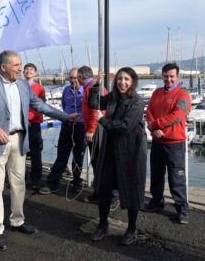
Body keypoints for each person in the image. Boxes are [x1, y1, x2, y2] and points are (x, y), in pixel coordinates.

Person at [0, 50, 77, 251]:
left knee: (19, 183)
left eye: (20, 64)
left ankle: (17, 221)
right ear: (3, 67)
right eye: (17, 65)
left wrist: (64, 116)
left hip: (19, 140)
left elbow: (40, 106)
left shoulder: (23, 85)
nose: (21, 68)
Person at [88, 68, 147, 245]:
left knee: (132, 190)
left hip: (131, 152)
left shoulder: (136, 101)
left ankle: (131, 228)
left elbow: (125, 126)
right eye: (120, 79)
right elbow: (94, 103)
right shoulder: (113, 97)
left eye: (126, 79)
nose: (122, 82)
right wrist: (96, 84)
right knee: (104, 189)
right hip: (111, 151)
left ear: (133, 81)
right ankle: (102, 223)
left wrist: (102, 121)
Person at [144, 63, 191, 224]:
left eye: (172, 76)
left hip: (175, 144)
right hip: (157, 141)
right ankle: (157, 202)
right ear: (162, 76)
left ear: (177, 76)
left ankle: (182, 209)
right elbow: (149, 112)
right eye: (166, 75)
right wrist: (153, 129)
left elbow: (178, 115)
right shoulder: (156, 93)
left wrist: (156, 125)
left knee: (176, 179)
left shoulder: (183, 94)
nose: (169, 79)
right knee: (156, 176)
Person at [78, 66, 118, 209]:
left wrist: (91, 130)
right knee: (96, 163)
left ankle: (113, 196)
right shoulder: (89, 87)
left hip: (98, 130)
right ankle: (99, 191)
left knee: (105, 163)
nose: (76, 79)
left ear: (82, 77)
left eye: (77, 77)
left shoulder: (93, 88)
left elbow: (98, 110)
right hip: (91, 129)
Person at [40, 68, 86, 194]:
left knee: (78, 156)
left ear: (80, 78)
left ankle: (77, 182)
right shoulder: (66, 90)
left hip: (81, 127)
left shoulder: (86, 92)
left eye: (75, 78)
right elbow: (64, 106)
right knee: (62, 155)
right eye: (70, 78)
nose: (72, 80)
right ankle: (52, 183)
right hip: (67, 125)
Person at [23, 63, 46, 190]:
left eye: (31, 69)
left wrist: (30, 118)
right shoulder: (19, 85)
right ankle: (21, 178)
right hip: (21, 124)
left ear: (35, 73)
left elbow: (41, 107)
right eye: (27, 69)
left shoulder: (40, 88)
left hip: (34, 124)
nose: (29, 71)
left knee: (36, 153)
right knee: (20, 153)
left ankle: (36, 179)